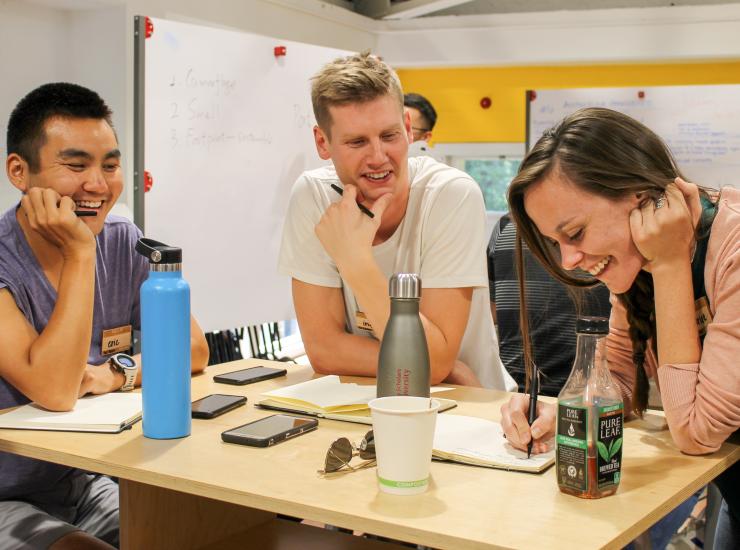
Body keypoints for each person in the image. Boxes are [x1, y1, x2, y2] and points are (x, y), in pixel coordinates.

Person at [498, 107, 739, 548]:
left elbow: (697, 432)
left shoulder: (727, 251)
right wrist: (570, 410)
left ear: (640, 196)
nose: (569, 260)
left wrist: (668, 265)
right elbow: (621, 385)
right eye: (556, 243)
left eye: (575, 233)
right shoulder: (637, 265)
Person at [0, 83, 210, 549]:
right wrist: (79, 251)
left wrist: (117, 373)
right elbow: (55, 391)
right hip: (7, 495)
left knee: (190, 532)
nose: (98, 184)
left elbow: (194, 350)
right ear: (19, 170)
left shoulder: (120, 237)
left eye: (110, 166)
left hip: (85, 479)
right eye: (76, 166)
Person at [278, 52, 514, 390]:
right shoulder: (311, 195)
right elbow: (323, 350)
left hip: (469, 410)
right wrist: (430, 365)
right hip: (367, 403)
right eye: (357, 142)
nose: (378, 157)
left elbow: (431, 364)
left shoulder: (451, 194)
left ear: (407, 127)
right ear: (322, 142)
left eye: (389, 136)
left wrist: (355, 260)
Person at [487, 213, 611, 396]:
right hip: (595, 395)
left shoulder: (506, 226)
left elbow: (490, 314)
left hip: (514, 396)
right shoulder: (602, 228)